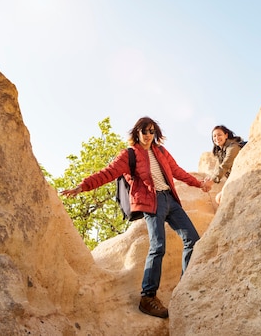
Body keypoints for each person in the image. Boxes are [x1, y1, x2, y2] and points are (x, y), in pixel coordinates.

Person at [60, 116, 212, 319]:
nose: (148, 135)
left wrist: (199, 184)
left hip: (171, 200)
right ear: (137, 133)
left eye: (151, 131)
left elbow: (178, 172)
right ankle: (147, 297)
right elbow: (109, 172)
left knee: (192, 239)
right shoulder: (129, 154)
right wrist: (83, 186)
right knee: (158, 246)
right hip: (151, 203)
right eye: (144, 131)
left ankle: (185, 284)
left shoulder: (161, 152)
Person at [208, 125, 244, 205]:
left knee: (220, 198)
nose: (217, 138)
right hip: (235, 180)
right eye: (214, 136)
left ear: (226, 135)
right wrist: (208, 179)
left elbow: (226, 165)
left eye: (219, 135)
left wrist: (212, 181)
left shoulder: (233, 146)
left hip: (243, 177)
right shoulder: (220, 152)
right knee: (219, 198)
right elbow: (217, 169)